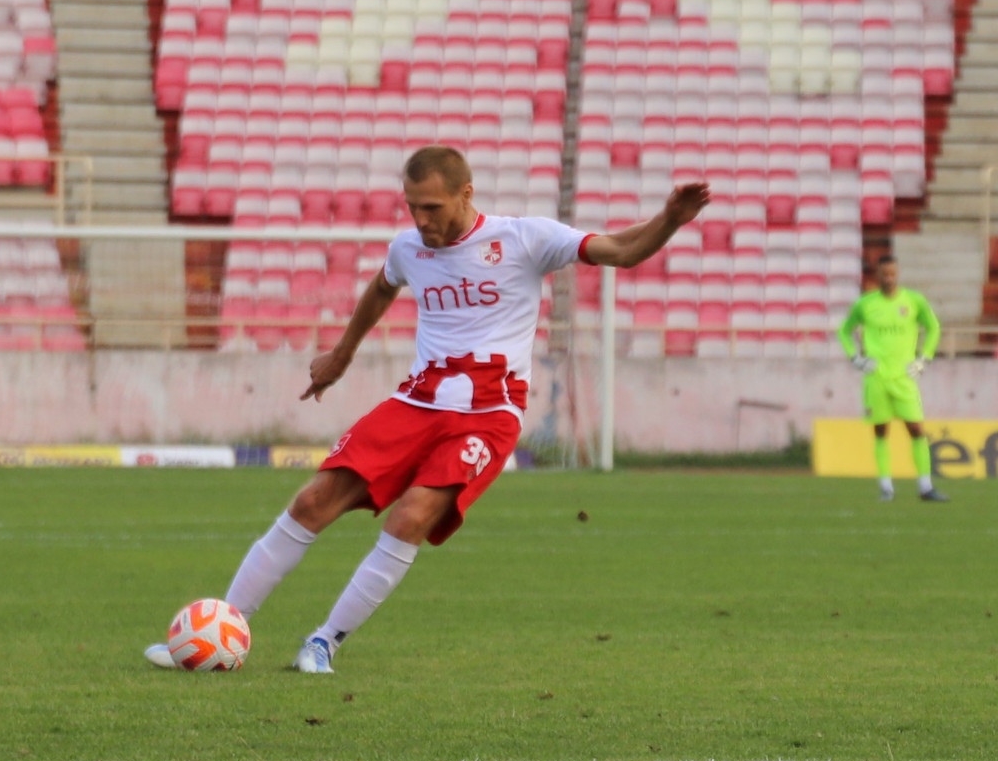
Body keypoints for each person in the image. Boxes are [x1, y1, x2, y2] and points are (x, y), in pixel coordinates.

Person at [145, 145, 710, 673]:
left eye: (433, 207)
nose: (421, 220)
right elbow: (382, 288)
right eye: (413, 207)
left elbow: (621, 251)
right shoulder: (408, 248)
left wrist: (670, 220)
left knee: (411, 516)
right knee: (313, 500)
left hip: (490, 413)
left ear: (467, 194)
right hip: (416, 400)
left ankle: (323, 642)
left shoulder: (524, 239)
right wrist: (342, 355)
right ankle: (221, 629)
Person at [837, 255, 946, 503]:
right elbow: (844, 331)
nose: (889, 278)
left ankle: (926, 488)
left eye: (892, 273)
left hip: (904, 378)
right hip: (876, 378)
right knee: (881, 431)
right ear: (877, 275)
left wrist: (924, 359)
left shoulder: (914, 301)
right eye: (884, 274)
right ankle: (886, 488)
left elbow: (934, 327)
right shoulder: (865, 304)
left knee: (917, 429)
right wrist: (855, 358)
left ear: (898, 274)